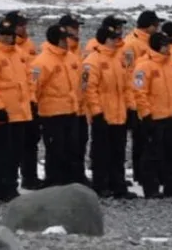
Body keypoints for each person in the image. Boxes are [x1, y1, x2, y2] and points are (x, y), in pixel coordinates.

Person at [0, 18, 32, 203]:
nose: (7, 38)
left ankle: (12, 184)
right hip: (3, 112)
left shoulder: (19, 53)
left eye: (10, 35)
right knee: (3, 152)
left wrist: (30, 101)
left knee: (17, 151)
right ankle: (4, 188)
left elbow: (28, 79)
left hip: (20, 110)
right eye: (4, 35)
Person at [134, 31, 172, 198]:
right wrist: (146, 114)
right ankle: (151, 188)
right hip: (155, 118)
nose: (168, 48)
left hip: (171, 115)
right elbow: (139, 92)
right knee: (152, 155)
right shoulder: (144, 66)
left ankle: (170, 185)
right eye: (165, 45)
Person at [83, 22, 134, 199]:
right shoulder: (93, 61)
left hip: (119, 113)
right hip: (103, 114)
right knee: (101, 153)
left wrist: (131, 108)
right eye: (113, 38)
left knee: (118, 152)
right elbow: (90, 89)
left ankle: (118, 185)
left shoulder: (119, 59)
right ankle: (100, 185)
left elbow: (127, 86)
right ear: (105, 40)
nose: (117, 41)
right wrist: (97, 113)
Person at [32, 24, 80, 187]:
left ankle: (70, 179)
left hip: (70, 110)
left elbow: (79, 82)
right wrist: (34, 108)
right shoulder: (42, 61)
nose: (66, 42)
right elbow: (34, 87)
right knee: (55, 149)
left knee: (72, 147)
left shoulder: (71, 58)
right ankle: (54, 180)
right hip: (51, 113)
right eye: (62, 39)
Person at [124, 10, 161, 185]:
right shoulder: (132, 44)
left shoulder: (147, 42)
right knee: (140, 139)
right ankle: (139, 172)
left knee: (147, 139)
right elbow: (130, 73)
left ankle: (147, 172)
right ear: (150, 26)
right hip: (137, 98)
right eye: (156, 25)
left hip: (149, 97)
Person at [7, 12, 43, 190]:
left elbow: (32, 74)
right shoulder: (5, 48)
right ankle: (11, 179)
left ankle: (30, 176)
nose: (24, 28)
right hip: (13, 103)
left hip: (30, 100)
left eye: (24, 24)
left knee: (31, 140)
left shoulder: (29, 45)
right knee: (14, 143)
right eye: (20, 25)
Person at [58, 13, 89, 184]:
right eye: (74, 28)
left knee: (80, 143)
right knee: (67, 145)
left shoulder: (77, 49)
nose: (77, 31)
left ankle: (78, 174)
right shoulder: (63, 49)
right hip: (67, 106)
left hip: (80, 104)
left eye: (78, 27)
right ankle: (66, 177)